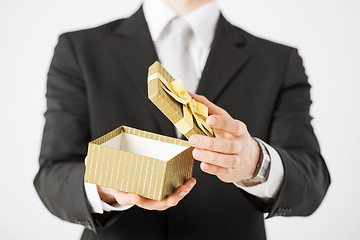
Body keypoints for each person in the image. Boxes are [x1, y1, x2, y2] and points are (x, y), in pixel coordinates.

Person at [34, 0, 331, 239]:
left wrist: (255, 162)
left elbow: (312, 182)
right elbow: (53, 175)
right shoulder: (80, 49)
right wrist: (108, 188)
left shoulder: (278, 60)